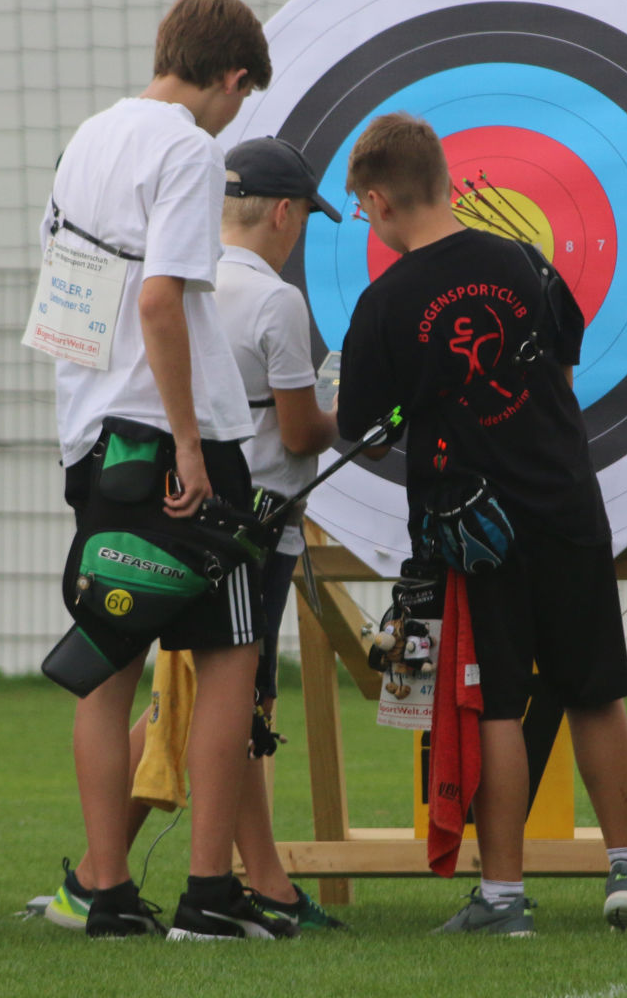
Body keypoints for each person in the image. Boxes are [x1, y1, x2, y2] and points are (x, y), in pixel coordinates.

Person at [335, 112, 627, 935]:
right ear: (445, 181)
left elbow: (362, 428)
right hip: (567, 503)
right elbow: (563, 367)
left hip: (476, 531)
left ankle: (504, 899)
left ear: (380, 201)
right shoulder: (526, 261)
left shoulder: (384, 302)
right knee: (595, 687)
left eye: (365, 210)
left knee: (498, 703)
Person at [38, 0, 298, 942]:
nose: (235, 115)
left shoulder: (90, 136)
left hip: (95, 434)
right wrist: (190, 443)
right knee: (231, 657)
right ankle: (208, 894)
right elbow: (159, 302)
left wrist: (92, 421)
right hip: (175, 438)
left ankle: (106, 891)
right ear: (230, 78)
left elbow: (69, 292)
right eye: (243, 96)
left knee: (110, 652)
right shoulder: (189, 150)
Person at [213, 135, 344, 927]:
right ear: (285, 214)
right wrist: (345, 412)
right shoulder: (275, 301)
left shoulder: (190, 280)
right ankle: (266, 888)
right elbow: (300, 434)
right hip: (257, 532)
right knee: (231, 707)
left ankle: (100, 871)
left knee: (197, 701)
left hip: (194, 521)